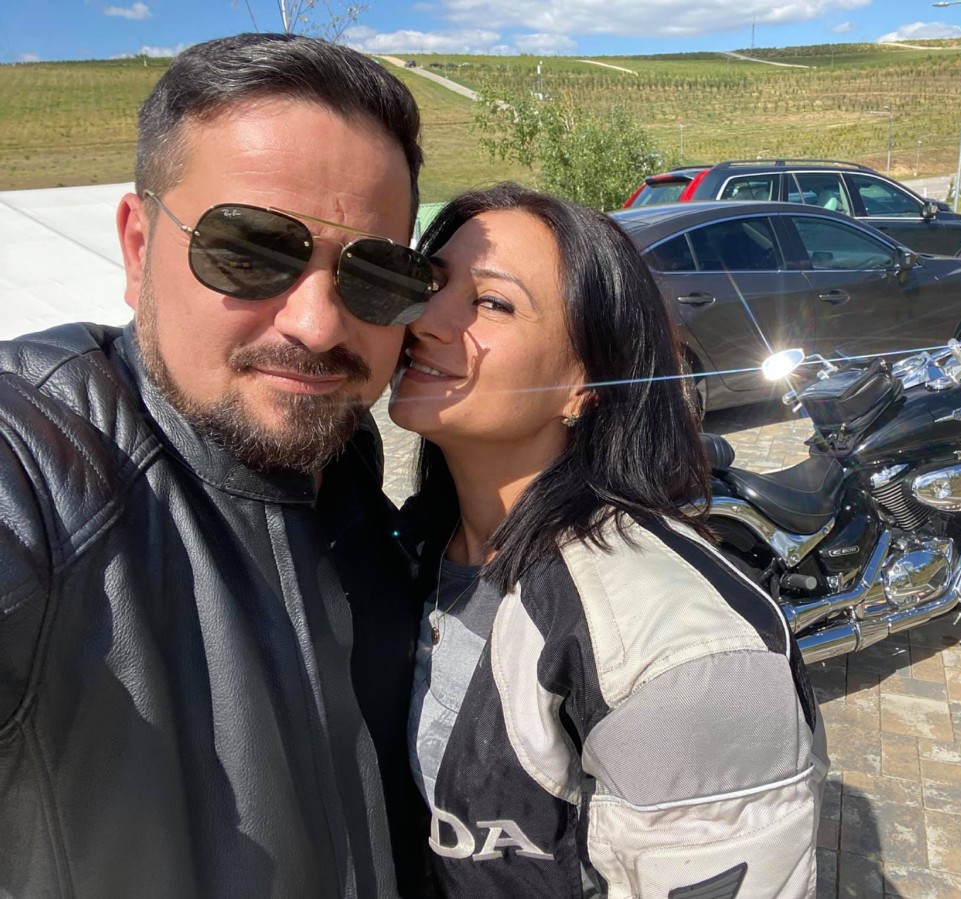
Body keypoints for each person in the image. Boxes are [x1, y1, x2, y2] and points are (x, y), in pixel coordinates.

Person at [0, 34, 433, 897]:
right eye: (252, 250)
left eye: (376, 272)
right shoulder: (42, 463)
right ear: (137, 247)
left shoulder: (350, 480)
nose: (318, 323)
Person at [389, 184, 828, 898]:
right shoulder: (408, 545)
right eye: (430, 284)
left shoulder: (678, 656)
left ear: (585, 382)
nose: (426, 319)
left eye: (492, 303)